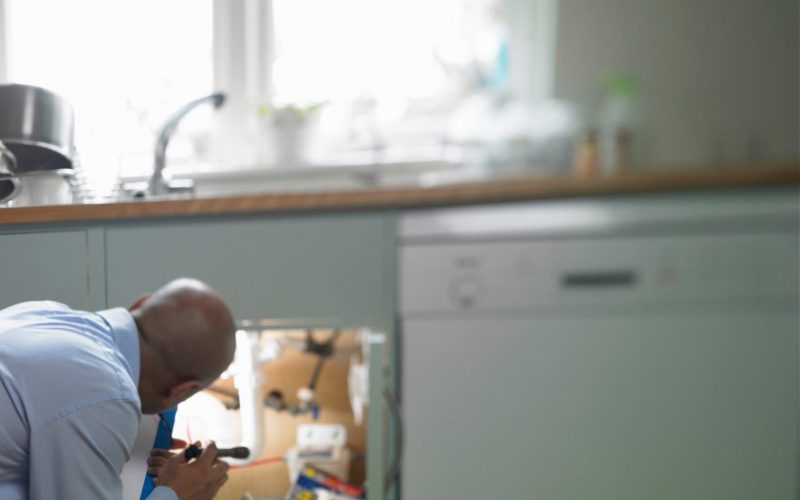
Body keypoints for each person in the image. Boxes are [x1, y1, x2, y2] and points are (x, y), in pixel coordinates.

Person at [0, 278, 237, 499]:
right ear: (179, 391)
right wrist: (176, 494)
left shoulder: (47, 312)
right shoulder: (105, 393)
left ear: (140, 303)